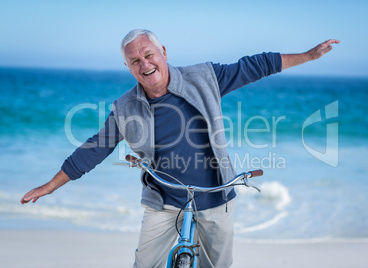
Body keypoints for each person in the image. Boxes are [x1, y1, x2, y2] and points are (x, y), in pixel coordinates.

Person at [21, 29, 340, 267]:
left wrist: (308, 56)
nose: (144, 63)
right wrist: (50, 186)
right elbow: (94, 148)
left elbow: (254, 66)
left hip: (217, 196)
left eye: (149, 54)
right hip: (164, 199)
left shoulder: (205, 77)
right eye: (135, 61)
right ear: (128, 67)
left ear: (163, 51)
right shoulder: (125, 107)